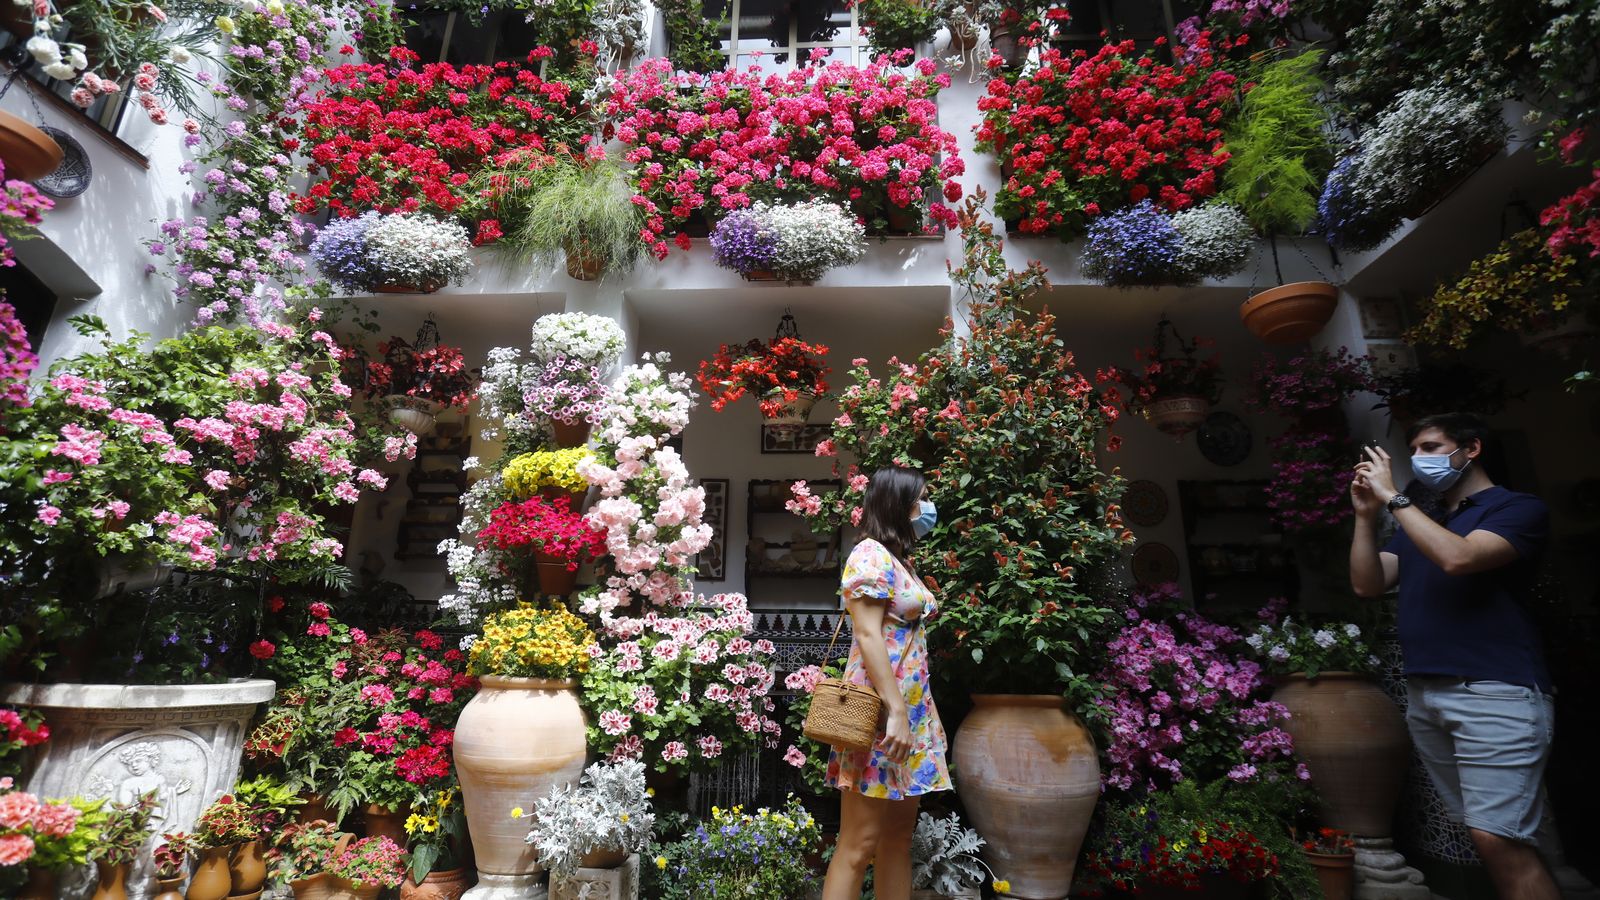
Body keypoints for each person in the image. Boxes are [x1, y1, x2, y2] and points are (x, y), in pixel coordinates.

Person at [1349, 412, 1558, 900]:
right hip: (1429, 695)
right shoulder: (1428, 520)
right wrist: (1364, 516)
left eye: (1430, 447)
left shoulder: (1515, 508)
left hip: (1493, 691)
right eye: (1415, 450)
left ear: (1472, 449)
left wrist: (1394, 497)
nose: (1419, 460)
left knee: (1498, 838)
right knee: (1488, 837)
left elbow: (1459, 558)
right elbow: (1367, 582)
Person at [821, 465, 953, 900]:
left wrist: (922, 719)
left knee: (898, 842)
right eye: (921, 498)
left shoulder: (899, 561)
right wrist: (895, 711)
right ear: (898, 504)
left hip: (911, 716)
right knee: (858, 844)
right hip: (880, 716)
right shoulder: (869, 555)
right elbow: (867, 634)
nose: (927, 508)